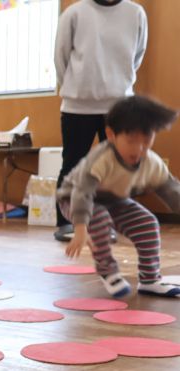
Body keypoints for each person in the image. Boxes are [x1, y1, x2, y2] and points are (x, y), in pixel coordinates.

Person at [61, 95, 180, 298]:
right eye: (131, 140)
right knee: (99, 217)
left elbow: (172, 192)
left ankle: (150, 280)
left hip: (114, 201)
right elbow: (82, 192)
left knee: (148, 223)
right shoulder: (102, 158)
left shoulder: (152, 163)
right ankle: (108, 271)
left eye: (146, 141)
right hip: (73, 198)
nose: (139, 149)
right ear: (111, 135)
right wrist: (80, 229)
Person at [53, 0, 147, 242]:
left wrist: (118, 84)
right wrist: (76, 87)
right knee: (72, 165)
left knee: (118, 169)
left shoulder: (136, 13)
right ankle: (66, 222)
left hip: (119, 106)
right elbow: (60, 58)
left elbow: (137, 56)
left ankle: (110, 224)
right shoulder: (74, 13)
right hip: (77, 106)